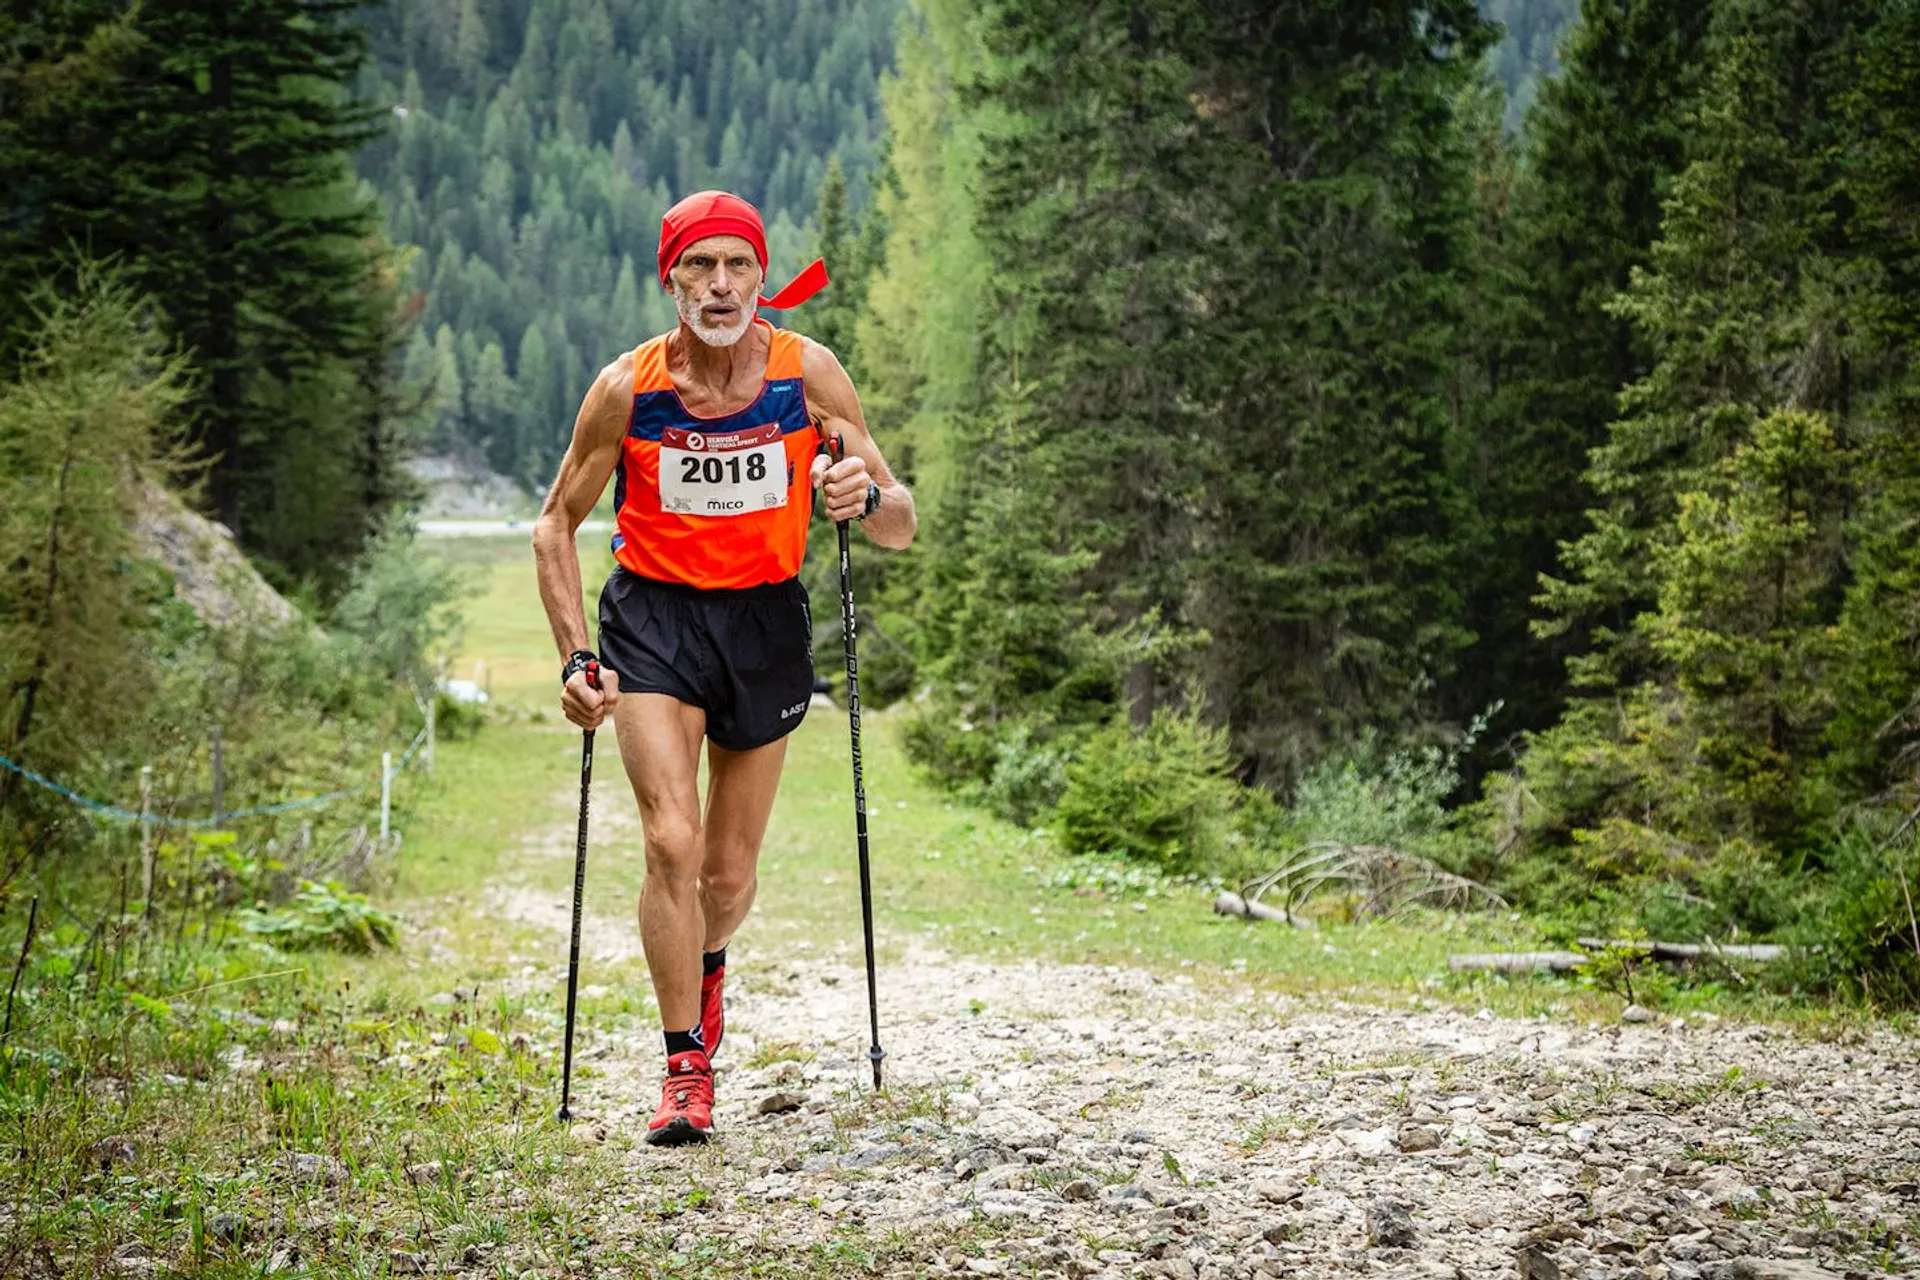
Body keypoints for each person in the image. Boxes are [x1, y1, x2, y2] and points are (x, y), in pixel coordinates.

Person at [531, 190, 916, 1146]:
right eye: (698, 267)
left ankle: (706, 969)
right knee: (672, 842)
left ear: (760, 275)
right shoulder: (629, 387)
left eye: (736, 266)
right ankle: (684, 1069)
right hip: (653, 622)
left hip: (763, 624)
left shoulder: (805, 372)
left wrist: (861, 493)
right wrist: (577, 653)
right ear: (671, 281)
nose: (719, 285)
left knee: (729, 877)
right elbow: (554, 525)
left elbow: (903, 524)